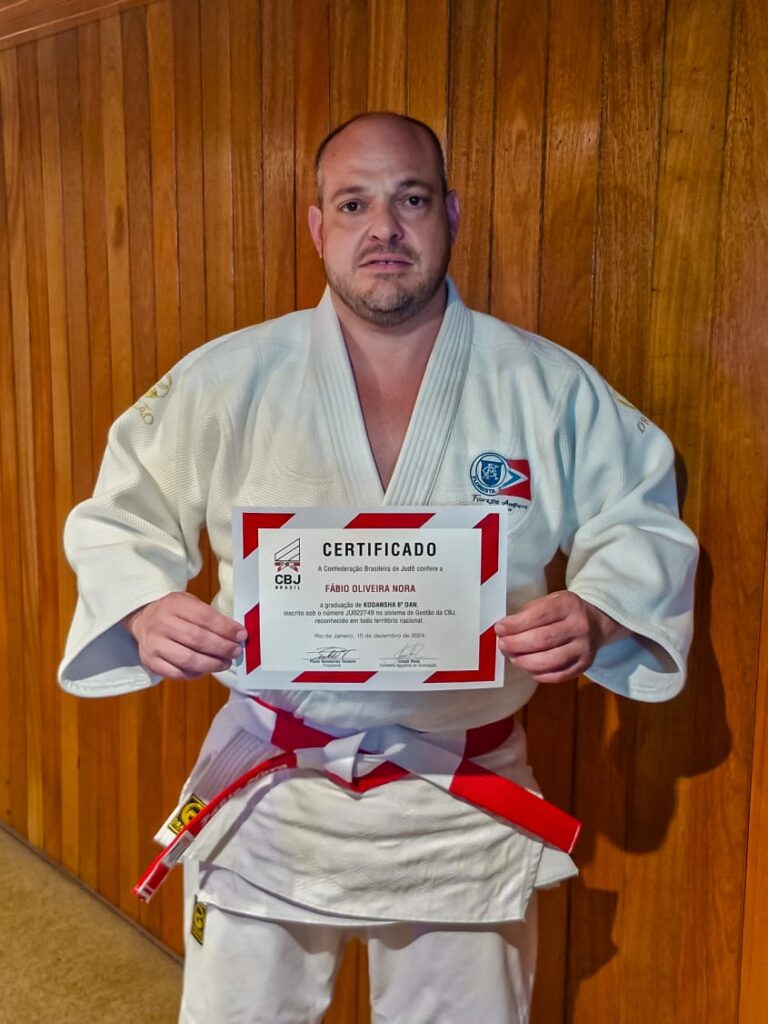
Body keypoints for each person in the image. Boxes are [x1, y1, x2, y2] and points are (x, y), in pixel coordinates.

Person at [59, 112, 698, 1023]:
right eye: (353, 203)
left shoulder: (544, 384)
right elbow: (120, 513)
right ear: (317, 225)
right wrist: (145, 608)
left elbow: (639, 514)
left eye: (412, 199)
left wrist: (597, 611)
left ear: (452, 214)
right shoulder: (228, 377)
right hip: (274, 787)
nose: (384, 228)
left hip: (461, 796)